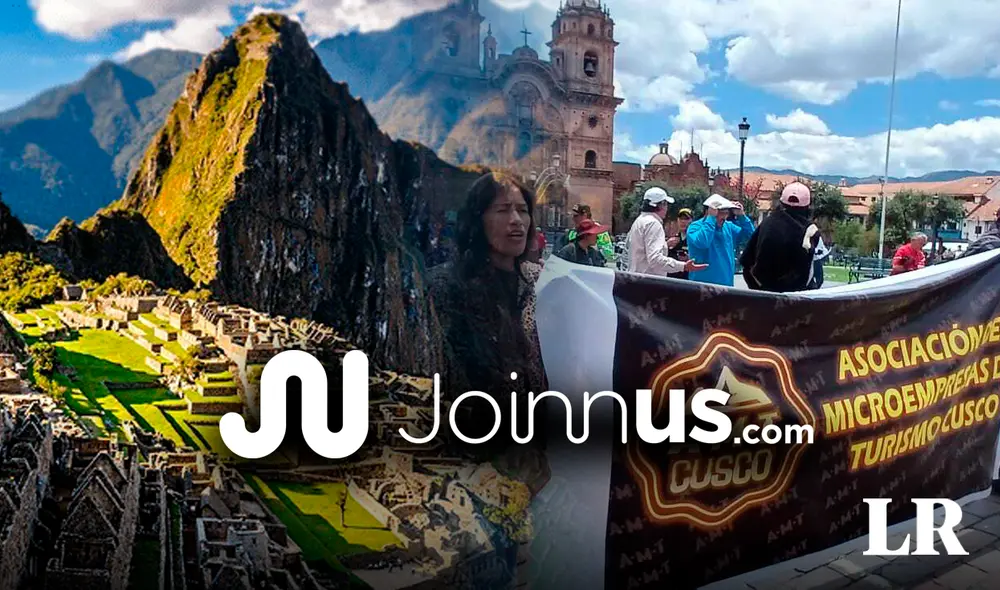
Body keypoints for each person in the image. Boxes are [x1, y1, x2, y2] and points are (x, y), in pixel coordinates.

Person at [427, 172, 549, 453]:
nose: (516, 220)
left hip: (539, 450)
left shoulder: (542, 285)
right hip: (474, 452)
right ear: (477, 219)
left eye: (522, 210)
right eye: (503, 210)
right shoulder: (446, 288)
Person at [740, 182, 820, 292]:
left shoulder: (767, 223)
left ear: (782, 202)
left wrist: (759, 288)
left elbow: (747, 261)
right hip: (798, 298)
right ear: (807, 206)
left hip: (763, 295)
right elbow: (816, 272)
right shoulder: (811, 230)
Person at [626, 187, 708, 277]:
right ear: (661, 205)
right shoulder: (654, 224)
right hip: (649, 280)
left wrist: (665, 245)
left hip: (635, 277)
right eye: (666, 204)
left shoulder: (639, 221)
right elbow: (655, 259)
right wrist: (683, 266)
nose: (667, 208)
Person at [687, 193, 755, 287]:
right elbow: (703, 243)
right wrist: (711, 219)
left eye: (726, 213)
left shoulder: (728, 227)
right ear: (709, 212)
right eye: (720, 213)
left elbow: (751, 238)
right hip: (701, 287)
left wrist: (742, 216)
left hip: (726, 287)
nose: (724, 217)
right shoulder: (695, 227)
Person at [667, 208, 693, 280]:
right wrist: (666, 245)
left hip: (688, 279)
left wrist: (689, 258)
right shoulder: (672, 239)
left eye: (686, 219)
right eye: (681, 219)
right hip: (672, 278)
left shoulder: (695, 239)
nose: (683, 221)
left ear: (691, 221)